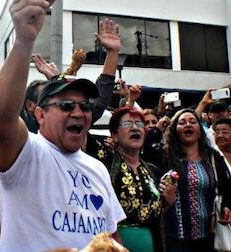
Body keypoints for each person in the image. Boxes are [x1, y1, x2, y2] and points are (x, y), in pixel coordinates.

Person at [0, 0, 125, 251]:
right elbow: (0, 120)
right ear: (39, 115)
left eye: (85, 106)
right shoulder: (27, 154)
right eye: (66, 105)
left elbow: (111, 238)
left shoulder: (97, 168)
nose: (79, 112)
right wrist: (24, 41)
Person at [98, 107, 173, 252]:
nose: (135, 128)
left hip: (152, 244)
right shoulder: (104, 164)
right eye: (127, 124)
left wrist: (168, 202)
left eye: (139, 124)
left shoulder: (152, 170)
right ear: (114, 135)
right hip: (115, 245)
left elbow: (155, 213)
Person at [163, 108, 231, 251]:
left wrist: (226, 205)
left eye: (193, 122)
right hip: (175, 239)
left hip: (208, 238)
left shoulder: (213, 157)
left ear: (200, 131)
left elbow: (227, 187)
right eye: (182, 122)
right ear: (175, 131)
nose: (188, 124)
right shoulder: (165, 158)